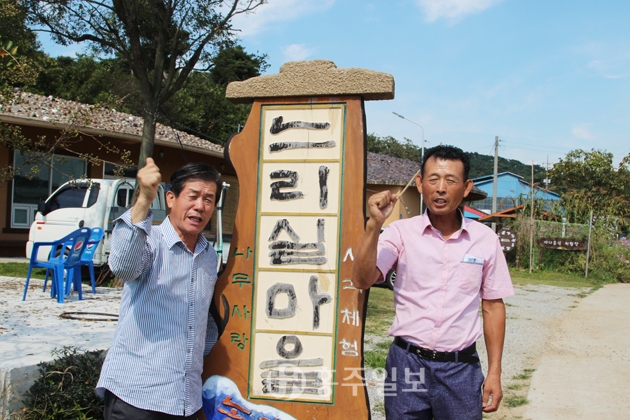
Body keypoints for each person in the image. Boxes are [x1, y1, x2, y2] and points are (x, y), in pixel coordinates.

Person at [353, 145, 514, 420]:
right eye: (433, 179)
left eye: (450, 180)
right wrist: (373, 225)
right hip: (406, 364)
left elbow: (493, 306)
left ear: (466, 187)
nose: (440, 188)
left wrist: (495, 373)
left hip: (460, 368)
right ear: (420, 184)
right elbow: (361, 279)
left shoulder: (485, 239)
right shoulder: (400, 232)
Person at [96, 158, 221, 419]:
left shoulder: (209, 256)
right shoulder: (150, 242)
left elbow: (204, 319)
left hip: (185, 399)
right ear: (171, 198)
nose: (200, 206)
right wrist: (144, 198)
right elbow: (123, 267)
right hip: (136, 397)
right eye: (193, 196)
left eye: (208, 199)